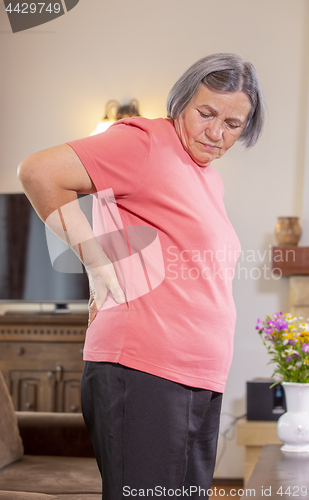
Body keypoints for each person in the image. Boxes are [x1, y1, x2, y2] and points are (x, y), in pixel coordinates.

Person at [18, 53, 264, 499]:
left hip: (197, 377)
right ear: (181, 100)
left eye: (233, 123)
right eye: (206, 113)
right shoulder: (145, 141)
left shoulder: (207, 179)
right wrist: (94, 262)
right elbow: (38, 171)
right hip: (145, 371)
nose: (216, 132)